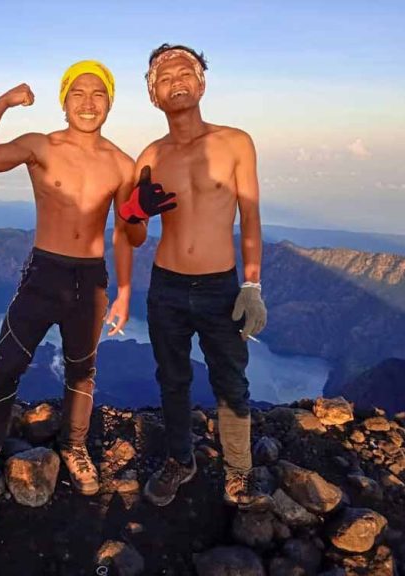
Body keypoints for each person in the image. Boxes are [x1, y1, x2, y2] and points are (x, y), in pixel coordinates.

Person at [0, 61, 147, 496]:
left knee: (83, 372)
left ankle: (74, 446)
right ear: (64, 101)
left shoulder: (122, 164)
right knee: (8, 363)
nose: (88, 102)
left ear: (110, 103)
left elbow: (130, 233)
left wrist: (125, 284)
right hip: (45, 272)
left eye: (98, 94)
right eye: (78, 93)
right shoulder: (40, 146)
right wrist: (4, 102)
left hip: (91, 279)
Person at [119, 44, 272, 509]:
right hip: (166, 285)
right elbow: (135, 235)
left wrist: (252, 285)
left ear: (202, 83)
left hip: (220, 284)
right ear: (153, 95)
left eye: (186, 70)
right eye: (164, 76)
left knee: (231, 380)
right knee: (173, 379)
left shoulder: (235, 142)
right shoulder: (149, 155)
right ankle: (180, 460)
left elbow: (250, 218)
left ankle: (239, 471)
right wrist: (133, 211)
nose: (177, 79)